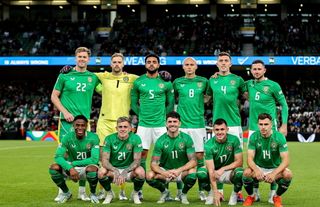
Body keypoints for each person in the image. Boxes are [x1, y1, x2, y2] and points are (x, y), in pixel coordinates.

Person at [51, 47, 100, 201]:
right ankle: (62, 191)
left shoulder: (93, 77)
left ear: (88, 59)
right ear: (75, 58)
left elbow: (107, 87)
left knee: (85, 154)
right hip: (66, 122)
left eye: (84, 57)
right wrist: (65, 112)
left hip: (85, 123)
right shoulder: (64, 75)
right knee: (64, 154)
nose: (82, 59)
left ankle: (82, 191)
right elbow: (54, 96)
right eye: (79, 56)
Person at [94, 53, 138, 200]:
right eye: (114, 62)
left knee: (123, 157)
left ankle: (122, 190)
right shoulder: (103, 76)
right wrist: (68, 70)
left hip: (123, 123)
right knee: (103, 158)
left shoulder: (131, 78)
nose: (117, 64)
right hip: (105, 122)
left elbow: (147, 79)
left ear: (123, 64)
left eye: (119, 62)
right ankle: (103, 190)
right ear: (111, 64)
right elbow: (85, 74)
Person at [246, 60, 289, 202]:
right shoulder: (249, 84)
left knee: (274, 160)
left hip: (271, 127)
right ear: (251, 70)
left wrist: (284, 125)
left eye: (259, 69)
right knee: (253, 161)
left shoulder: (273, 85)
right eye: (254, 69)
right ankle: (255, 192)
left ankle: (272, 193)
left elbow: (284, 104)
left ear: (264, 70)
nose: (256, 71)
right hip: (253, 128)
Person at [130, 54, 175, 186]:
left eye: (154, 62)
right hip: (143, 125)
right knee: (141, 155)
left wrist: (164, 118)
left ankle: (165, 188)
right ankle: (139, 189)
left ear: (158, 65)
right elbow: (133, 103)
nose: (151, 64)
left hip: (160, 125)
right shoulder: (138, 82)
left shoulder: (166, 82)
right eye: (148, 62)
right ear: (145, 64)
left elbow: (170, 103)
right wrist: (141, 115)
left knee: (165, 155)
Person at [206, 52, 246, 200]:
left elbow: (247, 94)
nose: (223, 63)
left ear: (230, 63)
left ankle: (237, 192)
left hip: (234, 124)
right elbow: (206, 98)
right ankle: (219, 192)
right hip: (217, 123)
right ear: (217, 64)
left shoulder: (238, 80)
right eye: (220, 60)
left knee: (237, 159)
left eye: (226, 60)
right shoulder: (212, 80)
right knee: (217, 157)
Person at [173, 57, 208, 201]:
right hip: (182, 125)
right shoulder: (177, 82)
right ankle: (180, 191)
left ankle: (201, 191)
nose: (189, 67)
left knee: (200, 157)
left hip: (198, 125)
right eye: (186, 64)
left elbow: (209, 96)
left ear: (196, 66)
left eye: (191, 64)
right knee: (181, 159)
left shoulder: (204, 81)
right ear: (183, 67)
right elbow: (171, 98)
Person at [146, 111, 197, 204]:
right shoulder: (160, 141)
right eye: (170, 122)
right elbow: (153, 164)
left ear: (179, 123)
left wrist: (178, 170)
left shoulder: (186, 138)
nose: (172, 124)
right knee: (149, 176)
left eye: (175, 121)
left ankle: (183, 194)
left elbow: (193, 161)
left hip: (181, 172)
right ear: (166, 123)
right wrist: (164, 172)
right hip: (166, 172)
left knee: (193, 173)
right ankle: (164, 192)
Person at [242, 113, 293, 207]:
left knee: (288, 174)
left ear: (271, 125)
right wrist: (257, 170)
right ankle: (251, 196)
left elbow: (286, 161)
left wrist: (274, 173)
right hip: (259, 168)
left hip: (275, 169)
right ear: (258, 125)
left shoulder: (279, 137)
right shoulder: (253, 136)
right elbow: (249, 159)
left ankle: (276, 197)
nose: (263, 127)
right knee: (246, 173)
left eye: (266, 124)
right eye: (261, 124)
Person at [48, 115, 100, 204]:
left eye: (82, 125)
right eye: (77, 125)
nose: (80, 128)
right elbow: (58, 156)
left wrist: (74, 163)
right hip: (70, 167)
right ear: (73, 125)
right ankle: (66, 193)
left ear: (86, 126)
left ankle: (93, 194)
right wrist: (70, 168)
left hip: (85, 168)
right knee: (53, 168)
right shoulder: (67, 137)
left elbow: (94, 159)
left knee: (93, 169)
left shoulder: (93, 137)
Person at [97, 116, 145, 204]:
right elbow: (105, 160)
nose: (122, 129)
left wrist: (125, 171)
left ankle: (135, 193)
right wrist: (115, 170)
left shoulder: (136, 138)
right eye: (120, 127)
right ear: (116, 128)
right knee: (101, 172)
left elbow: (137, 160)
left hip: (129, 170)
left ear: (130, 128)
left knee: (141, 172)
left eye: (125, 127)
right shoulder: (109, 139)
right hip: (113, 170)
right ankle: (109, 193)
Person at [199, 118, 246, 206]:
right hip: (215, 172)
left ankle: (234, 194)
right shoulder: (209, 145)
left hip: (229, 172)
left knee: (240, 172)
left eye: (222, 129)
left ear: (227, 129)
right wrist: (215, 192)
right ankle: (210, 193)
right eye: (217, 130)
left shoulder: (234, 140)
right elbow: (211, 169)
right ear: (213, 130)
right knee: (201, 173)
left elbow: (239, 162)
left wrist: (223, 169)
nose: (219, 132)